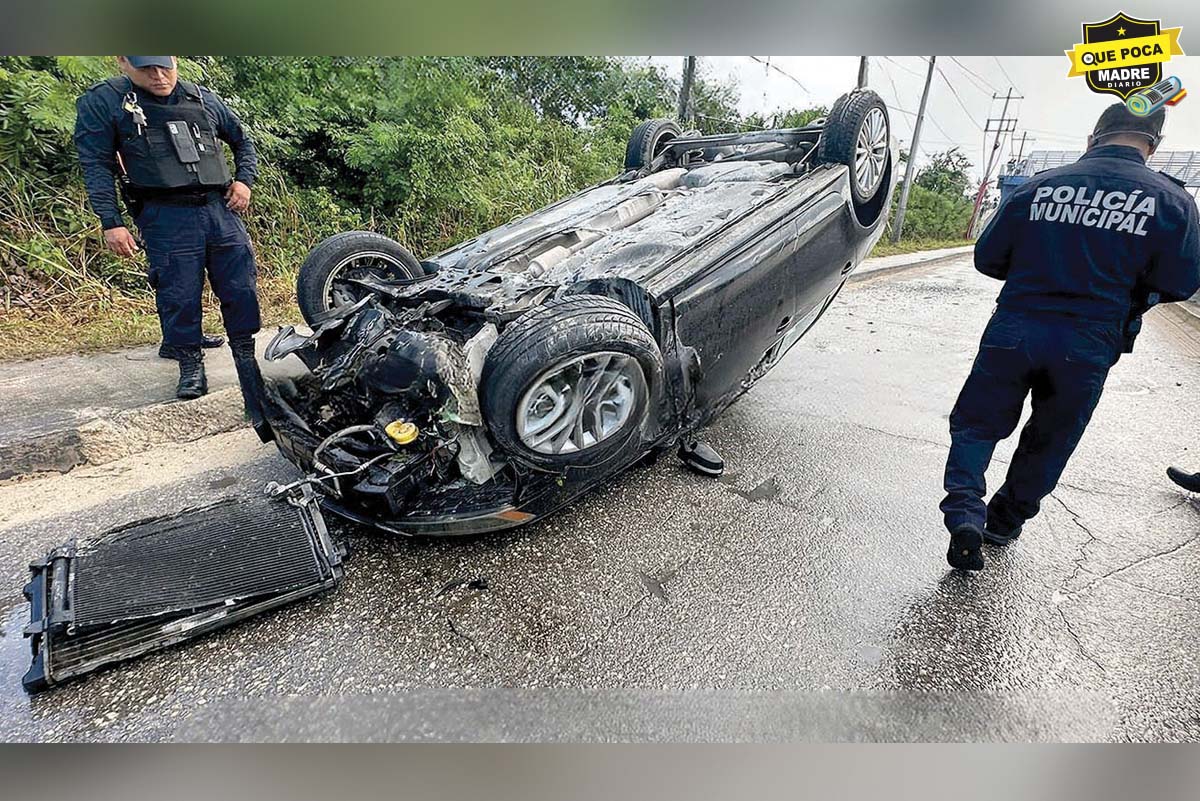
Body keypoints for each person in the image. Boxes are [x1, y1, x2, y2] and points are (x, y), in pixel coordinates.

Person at [941, 102, 1200, 571]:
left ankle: (963, 510)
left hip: (1017, 324)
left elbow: (987, 258)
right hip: (1091, 339)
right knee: (1053, 436)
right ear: (1153, 147)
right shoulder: (1174, 201)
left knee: (977, 423)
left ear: (1092, 137)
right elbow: (1181, 284)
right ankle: (1002, 521)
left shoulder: (1040, 185)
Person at [75, 56, 271, 441]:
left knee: (241, 288)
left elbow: (242, 140)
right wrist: (111, 222)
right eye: (147, 68)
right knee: (178, 293)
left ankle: (247, 365)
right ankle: (189, 364)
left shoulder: (202, 98)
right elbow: (95, 164)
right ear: (123, 63)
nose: (159, 75)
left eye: (165, 66)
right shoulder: (106, 101)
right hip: (165, 213)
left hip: (218, 208)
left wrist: (244, 181)